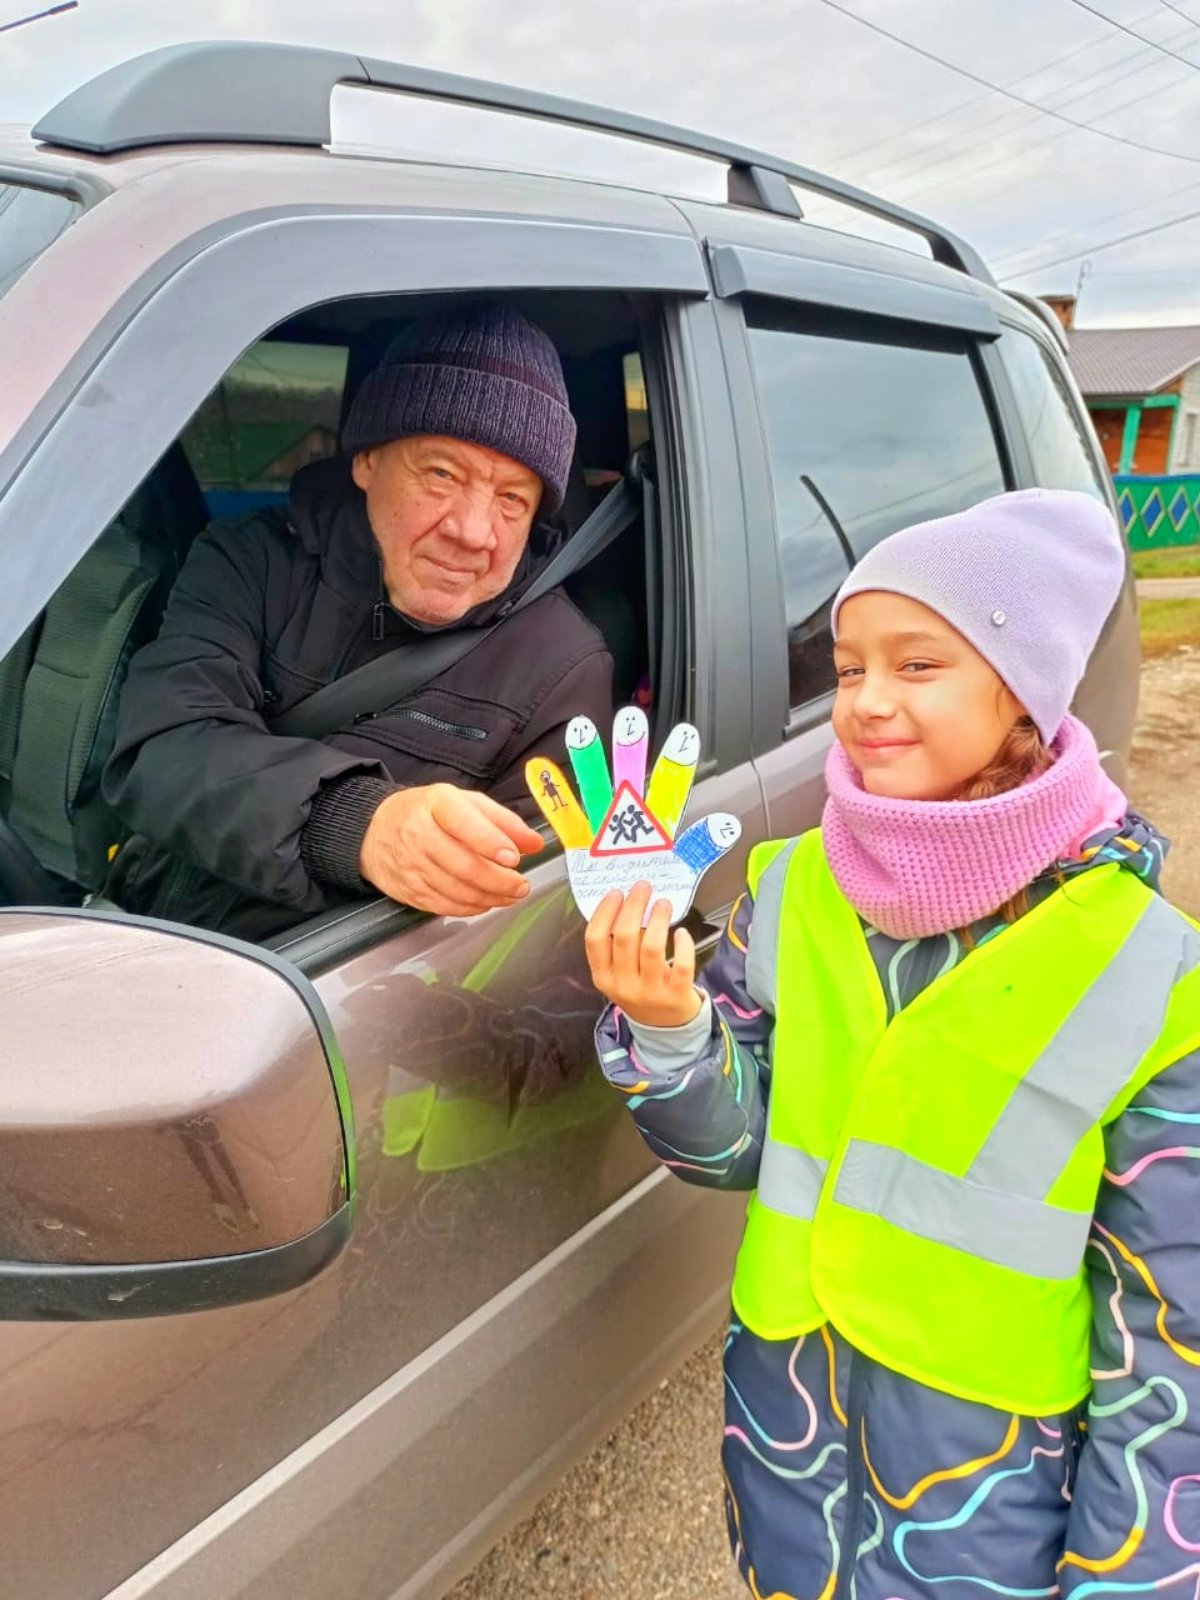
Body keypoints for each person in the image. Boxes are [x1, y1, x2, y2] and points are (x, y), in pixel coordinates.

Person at [584, 489, 1200, 1597]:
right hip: (790, 1449)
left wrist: (1133, 1577)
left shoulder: (1151, 975)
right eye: (850, 664)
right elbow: (736, 1150)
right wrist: (674, 1032)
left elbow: (1174, 1332)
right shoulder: (796, 889)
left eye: (918, 665)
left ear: (1025, 696)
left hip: (987, 1500)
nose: (865, 701)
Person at [102, 304, 614, 941]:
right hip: (131, 922)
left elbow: (504, 922)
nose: (472, 533)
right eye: (441, 473)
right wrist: (358, 824)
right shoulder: (251, 558)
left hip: (299, 992)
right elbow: (162, 744)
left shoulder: (562, 668)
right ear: (367, 460)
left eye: (512, 498)